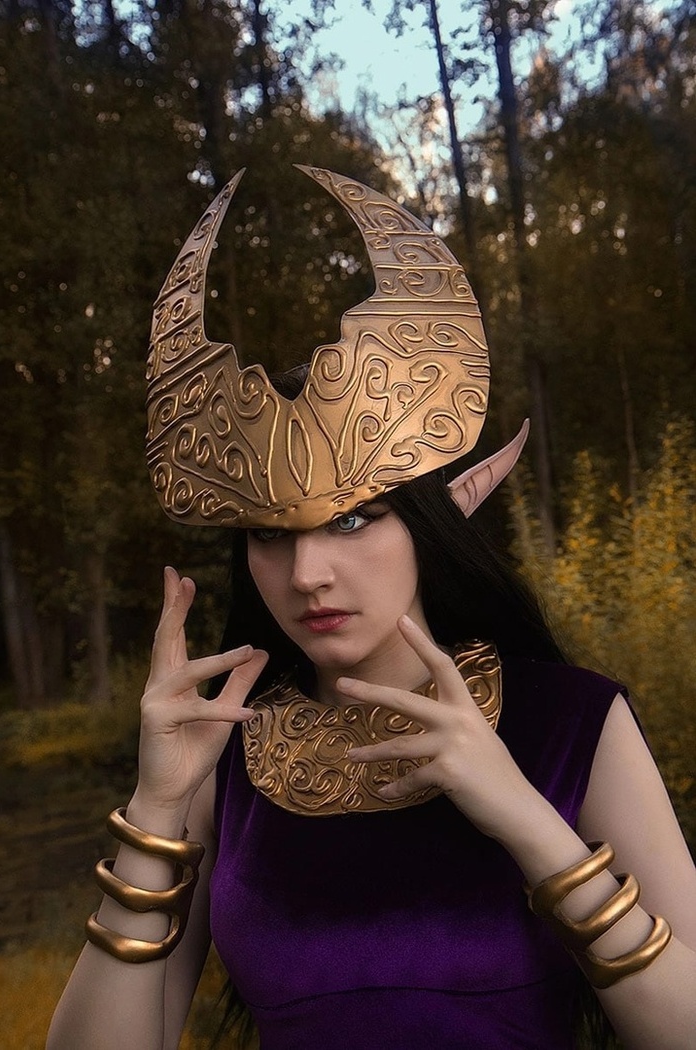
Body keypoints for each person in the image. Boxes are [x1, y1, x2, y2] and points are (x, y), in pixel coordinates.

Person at [47, 168, 696, 1050]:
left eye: (353, 519)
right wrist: (157, 806)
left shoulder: (572, 721)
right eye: (271, 533)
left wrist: (526, 817)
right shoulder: (221, 755)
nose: (308, 573)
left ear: (431, 522)